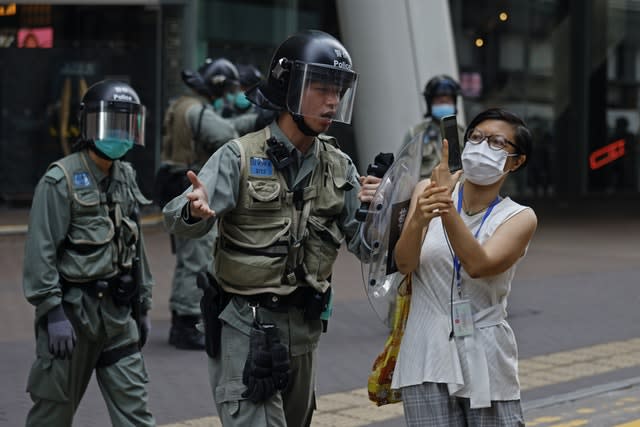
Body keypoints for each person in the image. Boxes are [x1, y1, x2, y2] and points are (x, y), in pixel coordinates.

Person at [162, 29, 380, 426]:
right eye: (321, 87)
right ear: (288, 87)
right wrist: (194, 211)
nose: (333, 100)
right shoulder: (239, 156)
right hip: (248, 327)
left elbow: (367, 248)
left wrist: (381, 212)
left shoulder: (339, 165)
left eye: (339, 89)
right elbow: (178, 218)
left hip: (305, 332)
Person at [392, 108, 537, 426]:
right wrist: (419, 216)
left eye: (498, 143)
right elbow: (404, 263)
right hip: (425, 350)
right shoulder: (425, 191)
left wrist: (444, 204)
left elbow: (477, 264)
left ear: (516, 161)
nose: (483, 146)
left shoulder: (519, 217)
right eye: (476, 137)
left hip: (484, 353)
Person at [23, 80, 155, 426]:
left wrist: (142, 306)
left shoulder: (125, 175)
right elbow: (41, 251)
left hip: (117, 315)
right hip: (73, 316)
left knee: (136, 412)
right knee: (53, 412)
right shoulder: (60, 180)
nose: (121, 135)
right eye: (113, 125)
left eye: (127, 126)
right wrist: (52, 313)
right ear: (90, 125)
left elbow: (135, 245)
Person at [159, 57, 245, 350]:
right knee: (195, 254)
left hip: (176, 180)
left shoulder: (181, 104)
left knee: (189, 253)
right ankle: (184, 323)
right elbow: (226, 134)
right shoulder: (197, 109)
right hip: (192, 185)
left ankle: (183, 319)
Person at [400, 74, 465, 179]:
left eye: (448, 100)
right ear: (429, 103)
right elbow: (401, 170)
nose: (444, 104)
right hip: (424, 192)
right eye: (439, 101)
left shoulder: (464, 134)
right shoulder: (415, 133)